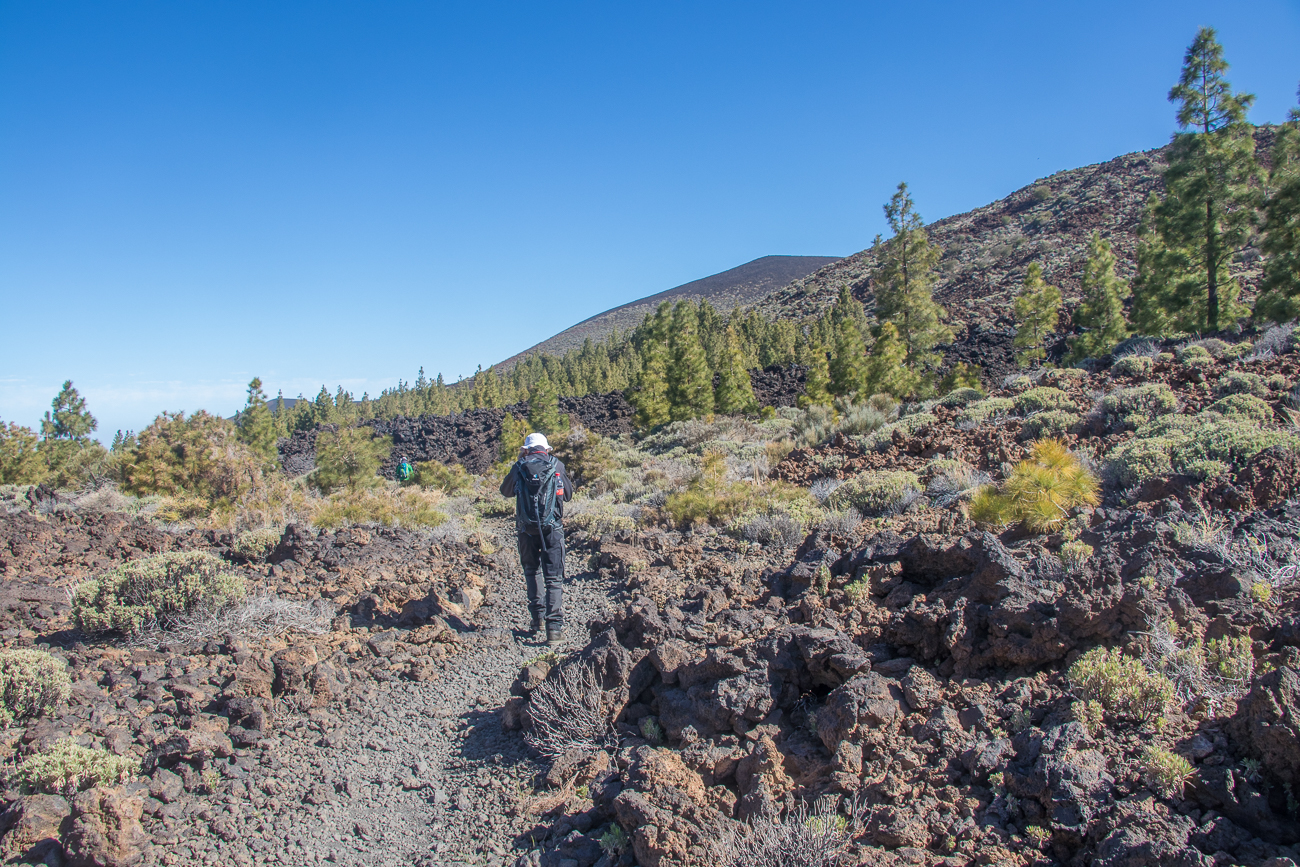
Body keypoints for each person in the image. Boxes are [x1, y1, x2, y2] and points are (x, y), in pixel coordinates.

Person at [500, 432, 573, 645]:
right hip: (552, 529)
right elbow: (568, 495)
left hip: (526, 529)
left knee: (532, 572)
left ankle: (537, 620)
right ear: (546, 449)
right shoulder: (556, 465)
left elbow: (505, 491)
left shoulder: (519, 466)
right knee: (554, 578)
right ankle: (554, 630)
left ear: (526, 449)